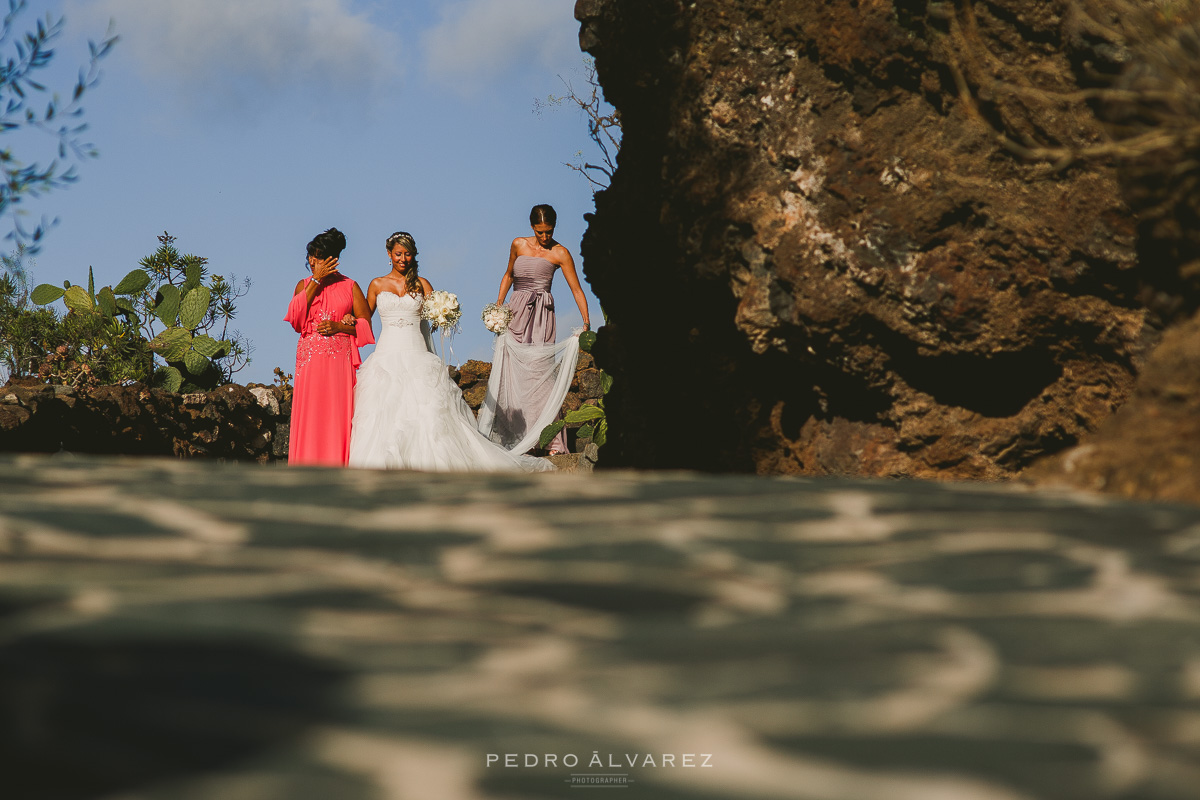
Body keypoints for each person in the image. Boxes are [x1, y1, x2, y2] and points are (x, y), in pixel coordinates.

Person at [348, 231, 552, 472]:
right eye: (398, 254)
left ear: (414, 255)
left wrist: (442, 317)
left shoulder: (423, 284)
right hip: (385, 356)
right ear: (389, 254)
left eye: (408, 254)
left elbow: (435, 315)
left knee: (427, 414)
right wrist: (351, 318)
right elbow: (364, 318)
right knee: (382, 413)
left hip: (416, 354)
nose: (403, 259)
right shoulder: (376, 284)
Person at [480, 204, 589, 455]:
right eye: (540, 232)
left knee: (541, 375)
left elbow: (576, 289)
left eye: (549, 231)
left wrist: (586, 321)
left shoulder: (561, 253)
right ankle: (519, 439)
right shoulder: (518, 244)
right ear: (532, 227)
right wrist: (498, 306)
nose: (544, 237)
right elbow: (508, 275)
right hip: (515, 313)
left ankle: (553, 442)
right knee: (513, 375)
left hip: (542, 316)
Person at [284, 228, 373, 466]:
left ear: (333, 259)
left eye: (319, 256)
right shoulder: (303, 285)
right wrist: (316, 280)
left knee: (337, 416)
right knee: (310, 415)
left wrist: (340, 327)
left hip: (339, 363)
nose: (313, 261)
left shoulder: (350, 286)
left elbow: (366, 328)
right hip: (310, 361)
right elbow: (295, 318)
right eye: (311, 256)